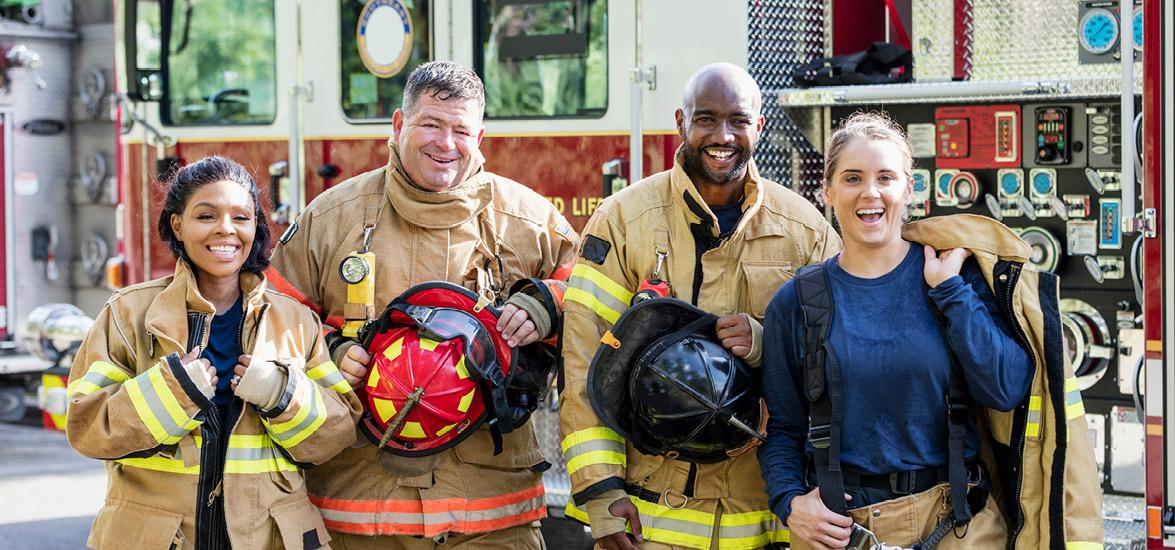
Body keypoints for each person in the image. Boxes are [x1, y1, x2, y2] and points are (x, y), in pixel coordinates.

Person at [267, 61, 577, 549]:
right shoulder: (331, 219)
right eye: (430, 124)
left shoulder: (530, 222)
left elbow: (597, 308)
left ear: (481, 136)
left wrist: (548, 305)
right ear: (398, 125)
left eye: (460, 130)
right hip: (362, 508)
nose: (445, 143)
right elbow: (270, 324)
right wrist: (327, 351)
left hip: (490, 514)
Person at [758, 111, 1103, 549]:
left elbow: (1006, 389)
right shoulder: (797, 302)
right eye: (852, 178)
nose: (871, 192)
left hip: (957, 523)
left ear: (909, 189)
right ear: (826, 190)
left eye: (886, 177)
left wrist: (951, 292)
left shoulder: (955, 280)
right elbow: (781, 429)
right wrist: (790, 503)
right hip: (843, 529)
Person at [559, 62, 840, 550]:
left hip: (768, 520)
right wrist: (602, 492)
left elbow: (842, 357)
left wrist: (766, 344)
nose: (722, 134)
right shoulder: (624, 220)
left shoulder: (806, 231)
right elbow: (586, 363)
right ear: (680, 123)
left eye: (738, 120)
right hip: (654, 519)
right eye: (706, 118)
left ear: (760, 126)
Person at [66, 156, 363, 549]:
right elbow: (87, 427)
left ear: (255, 226)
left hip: (268, 537)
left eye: (241, 217)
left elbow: (336, 435)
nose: (226, 229)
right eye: (206, 215)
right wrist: (171, 392)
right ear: (177, 224)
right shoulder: (127, 314)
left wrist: (281, 393)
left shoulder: (296, 321)